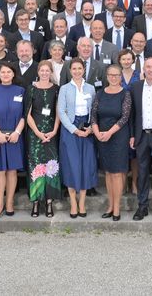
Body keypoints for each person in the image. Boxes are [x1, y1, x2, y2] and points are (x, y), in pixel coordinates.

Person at [0, 63, 26, 220]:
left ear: (13, 74)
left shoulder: (21, 91)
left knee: (12, 171)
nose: (6, 74)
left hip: (15, 137)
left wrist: (17, 132)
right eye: (3, 72)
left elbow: (24, 115)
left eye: (9, 72)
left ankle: (9, 203)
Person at [57, 58, 98, 217]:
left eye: (79, 68)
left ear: (84, 70)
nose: (77, 71)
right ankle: (73, 202)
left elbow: (94, 110)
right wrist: (74, 130)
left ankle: (82, 202)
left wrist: (90, 128)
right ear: (70, 71)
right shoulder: (65, 89)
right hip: (70, 130)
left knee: (85, 166)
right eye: (74, 69)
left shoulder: (91, 88)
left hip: (87, 129)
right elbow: (61, 112)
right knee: (72, 165)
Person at [91, 64, 132, 221]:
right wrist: (97, 133)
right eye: (111, 75)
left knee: (116, 173)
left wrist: (109, 133)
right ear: (107, 77)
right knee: (108, 172)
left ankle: (117, 207)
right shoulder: (100, 94)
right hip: (102, 137)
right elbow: (94, 115)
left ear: (121, 77)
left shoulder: (125, 94)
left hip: (118, 136)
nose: (114, 78)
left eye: (116, 75)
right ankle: (110, 205)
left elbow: (124, 117)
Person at [25, 61, 62, 218]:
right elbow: (27, 114)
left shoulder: (56, 89)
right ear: (38, 72)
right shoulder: (31, 89)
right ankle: (35, 201)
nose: (45, 73)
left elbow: (58, 111)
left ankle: (49, 202)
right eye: (42, 70)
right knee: (35, 165)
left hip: (52, 133)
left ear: (51, 72)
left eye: (47, 70)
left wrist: (54, 130)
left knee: (51, 166)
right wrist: (38, 133)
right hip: (35, 134)